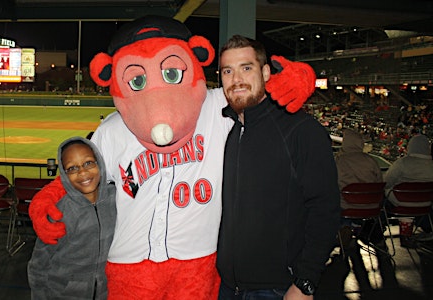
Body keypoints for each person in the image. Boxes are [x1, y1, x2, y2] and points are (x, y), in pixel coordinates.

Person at [30, 16, 314, 299]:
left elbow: (253, 93)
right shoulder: (113, 130)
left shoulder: (215, 106)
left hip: (198, 261)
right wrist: (48, 197)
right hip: (130, 262)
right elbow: (80, 174)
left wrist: (291, 80)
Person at [217, 35, 340, 299]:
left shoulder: (301, 130)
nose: (236, 79)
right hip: (227, 286)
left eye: (246, 68)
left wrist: (306, 282)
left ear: (265, 72)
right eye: (228, 71)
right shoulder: (228, 127)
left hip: (278, 289)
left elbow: (325, 210)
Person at [27, 136, 116, 299]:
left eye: (88, 163)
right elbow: (39, 265)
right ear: (64, 175)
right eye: (72, 168)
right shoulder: (59, 211)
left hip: (107, 293)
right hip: (64, 294)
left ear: (100, 163)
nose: (82, 172)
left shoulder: (117, 200)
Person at [334, 128, 384, 247]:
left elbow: (330, 183)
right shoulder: (371, 161)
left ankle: (345, 226)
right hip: (372, 206)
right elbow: (380, 182)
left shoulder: (339, 161)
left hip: (345, 206)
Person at [383, 134, 433, 248]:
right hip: (425, 205)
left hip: (400, 203)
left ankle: (375, 229)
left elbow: (387, 182)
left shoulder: (402, 163)